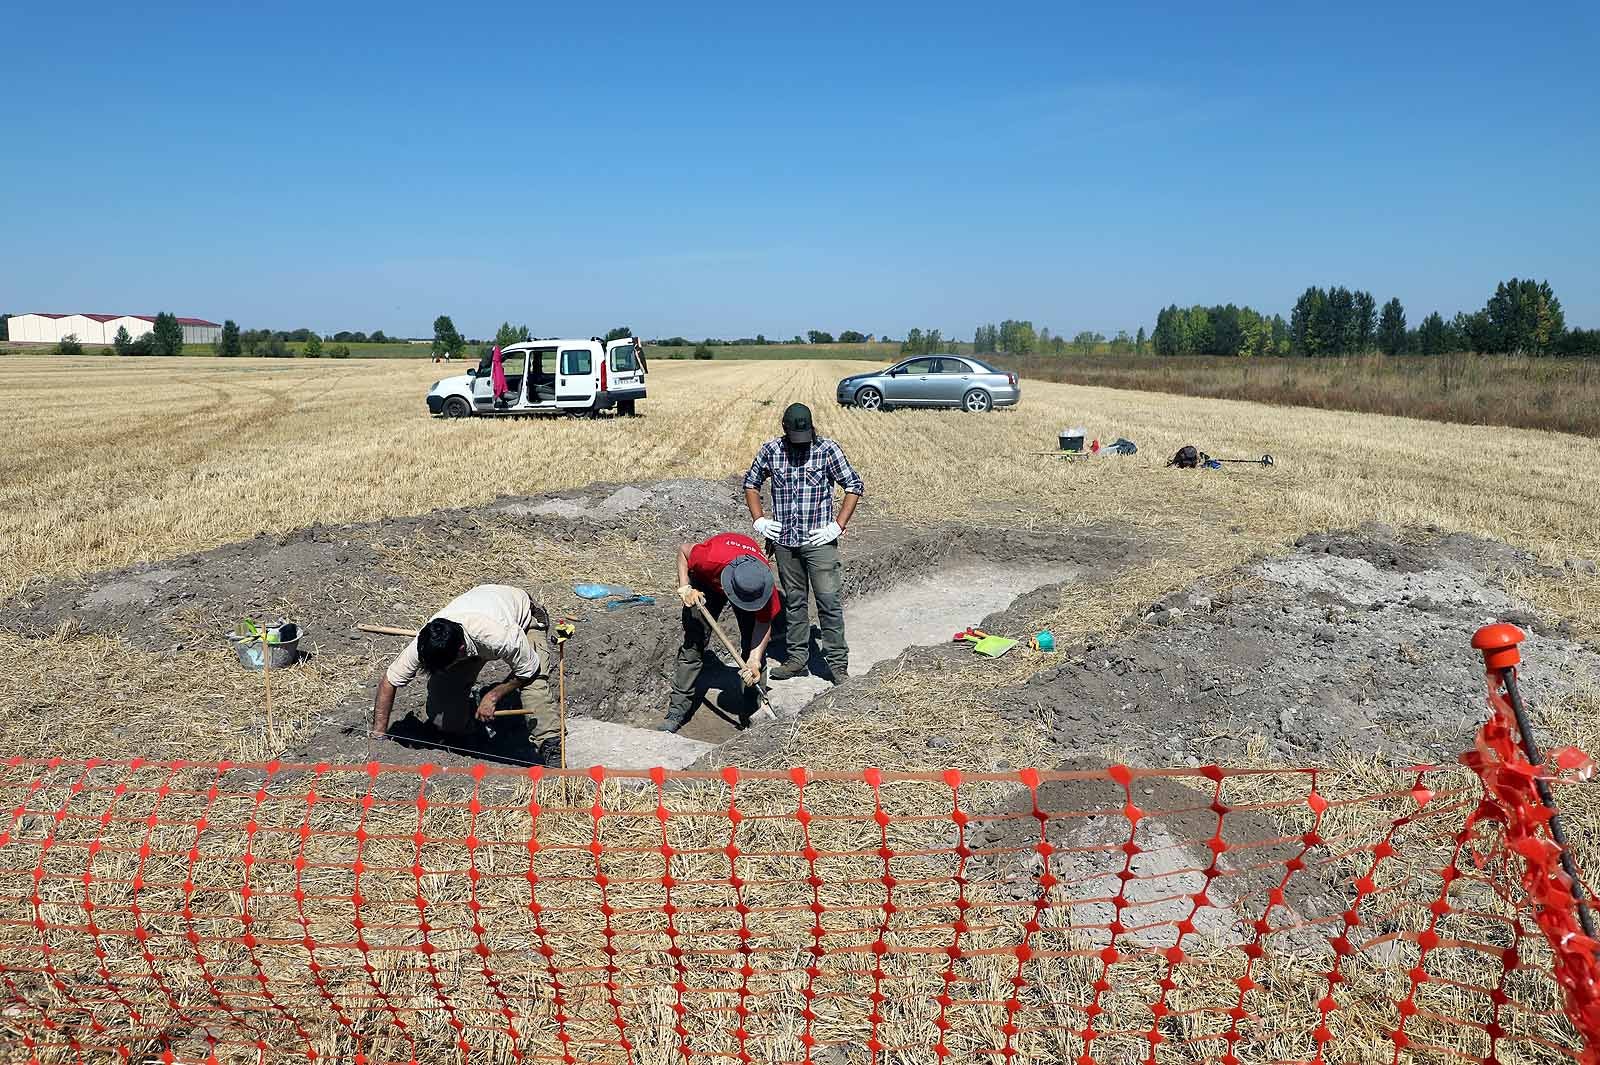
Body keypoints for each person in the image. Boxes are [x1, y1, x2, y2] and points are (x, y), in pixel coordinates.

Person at [743, 402, 864, 683]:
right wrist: (758, 520)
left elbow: (854, 486)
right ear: (784, 429)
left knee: (828, 601)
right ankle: (797, 659)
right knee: (795, 602)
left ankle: (837, 665)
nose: (800, 445)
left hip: (818, 540)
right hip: (785, 542)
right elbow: (751, 483)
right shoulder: (772, 450)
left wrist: (837, 525)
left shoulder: (827, 450)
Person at [371, 584, 559, 764]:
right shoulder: (428, 642)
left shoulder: (500, 637)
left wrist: (493, 696)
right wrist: (379, 735)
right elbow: (389, 681)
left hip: (523, 617)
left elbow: (529, 668)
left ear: (461, 651)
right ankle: (470, 734)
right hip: (478, 614)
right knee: (443, 712)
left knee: (534, 686)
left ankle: (551, 747)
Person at [663, 533, 781, 733]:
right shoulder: (709, 558)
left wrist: (754, 660)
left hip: (742, 584)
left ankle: (752, 710)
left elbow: (763, 623)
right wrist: (685, 587)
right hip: (706, 582)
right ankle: (676, 711)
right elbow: (683, 551)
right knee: (694, 644)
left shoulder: (762, 586)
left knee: (754, 654)